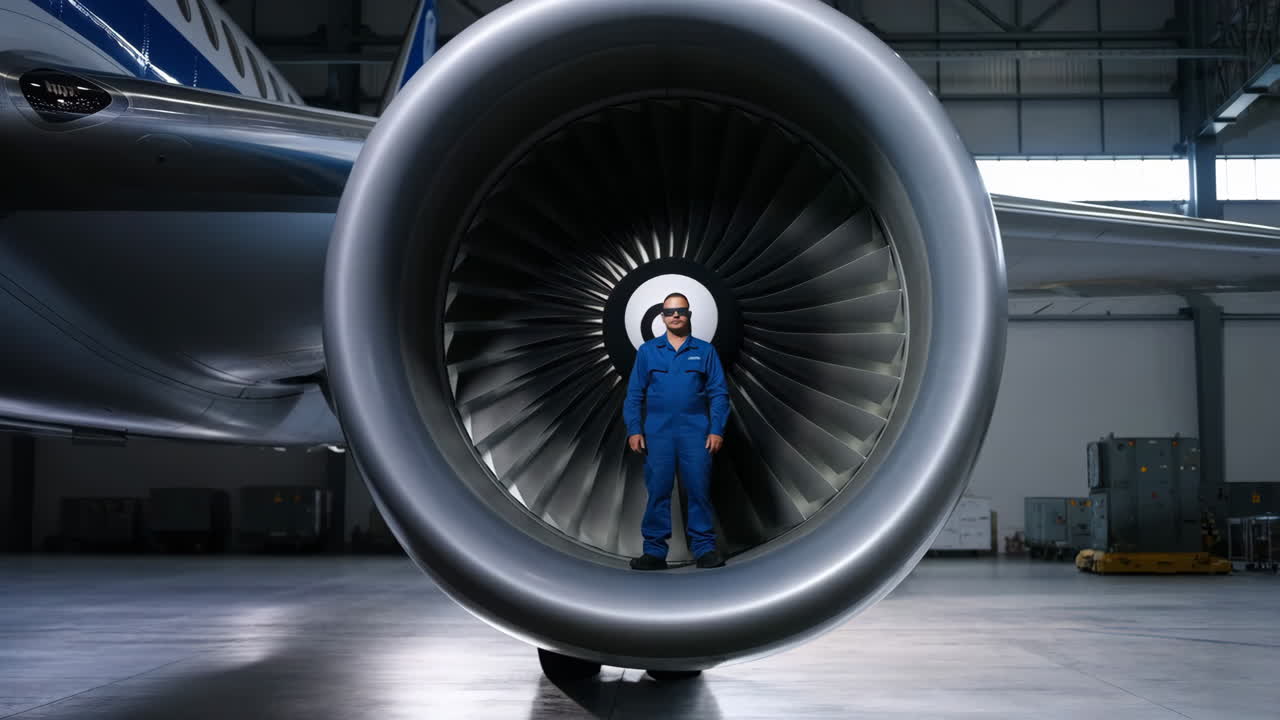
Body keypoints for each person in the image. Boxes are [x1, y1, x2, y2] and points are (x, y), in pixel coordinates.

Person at [623, 292, 730, 570]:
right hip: (657, 433)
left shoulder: (705, 351)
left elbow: (719, 394)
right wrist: (634, 428)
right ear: (662, 316)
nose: (675, 315)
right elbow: (634, 394)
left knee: (698, 489)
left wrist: (716, 429)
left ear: (689, 315)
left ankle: (705, 550)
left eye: (680, 311)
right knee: (658, 491)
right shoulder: (648, 351)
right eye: (669, 311)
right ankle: (655, 553)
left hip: (696, 432)